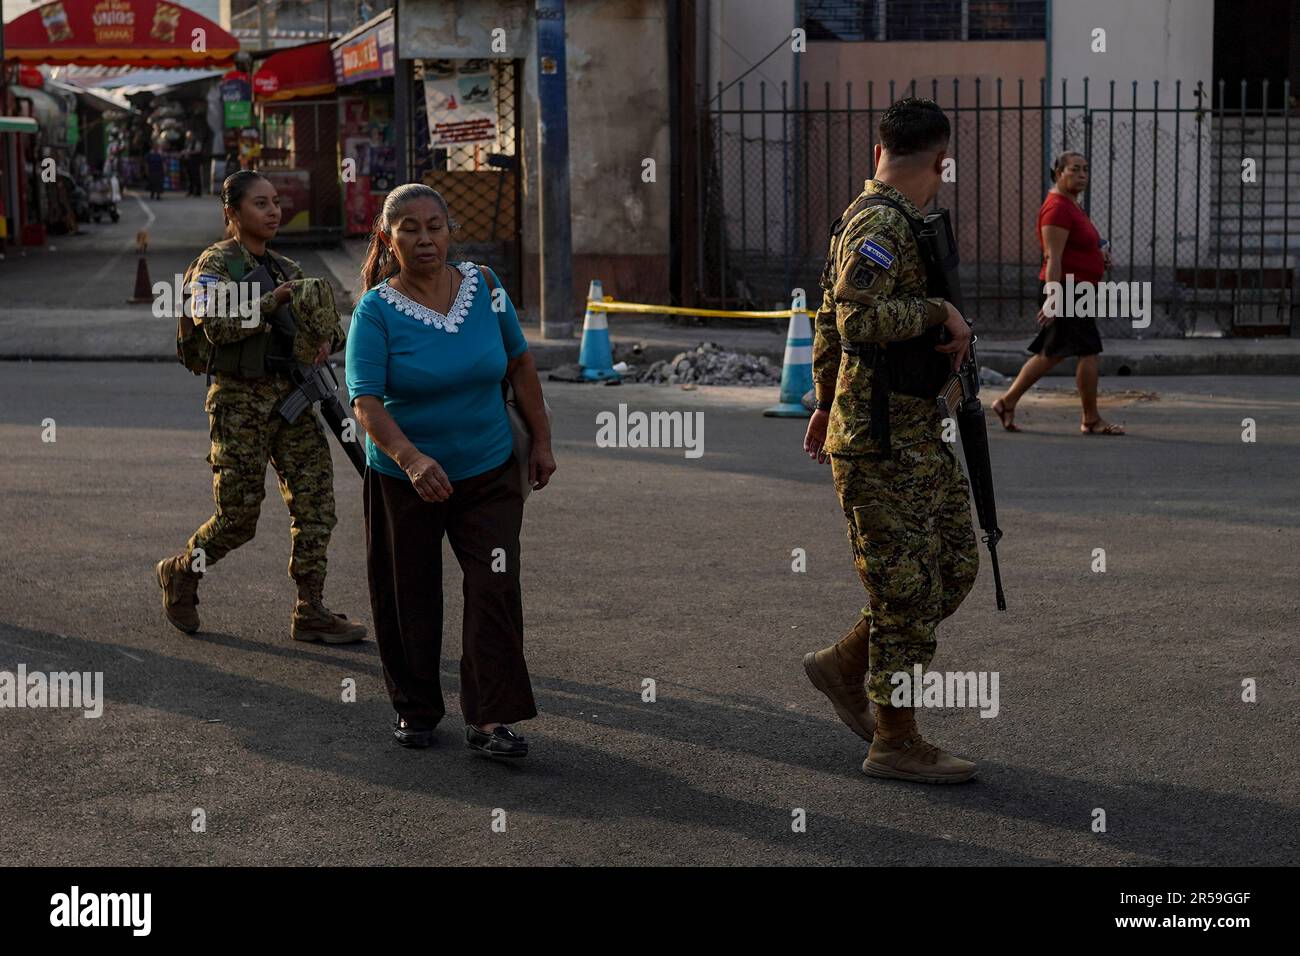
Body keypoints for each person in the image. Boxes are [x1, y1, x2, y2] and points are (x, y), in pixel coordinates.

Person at [802, 98, 980, 785]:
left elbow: (822, 316)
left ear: (881, 151)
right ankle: (895, 737)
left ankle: (845, 664)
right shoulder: (879, 221)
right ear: (941, 162)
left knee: (955, 568)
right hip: (878, 440)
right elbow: (853, 321)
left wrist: (822, 401)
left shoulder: (894, 219)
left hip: (910, 430)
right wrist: (938, 310)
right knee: (905, 596)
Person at [346, 183, 555, 756]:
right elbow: (365, 400)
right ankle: (416, 709)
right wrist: (411, 459)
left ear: (449, 229)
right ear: (388, 238)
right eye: (409, 228)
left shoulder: (485, 288)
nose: (424, 238)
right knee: (407, 591)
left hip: (488, 471)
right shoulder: (376, 311)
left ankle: (491, 719)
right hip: (403, 479)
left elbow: (518, 362)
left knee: (494, 586)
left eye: (434, 225)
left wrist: (542, 441)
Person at [155, 170, 366, 645]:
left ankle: (310, 609)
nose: (273, 213)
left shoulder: (287, 267)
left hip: (292, 397)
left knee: (317, 506)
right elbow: (214, 324)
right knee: (238, 519)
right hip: (238, 403)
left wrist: (322, 341)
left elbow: (331, 330)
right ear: (231, 212)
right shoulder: (213, 266)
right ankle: (183, 570)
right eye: (261, 204)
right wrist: (272, 303)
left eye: (276, 203)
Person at [992, 151, 1125, 435]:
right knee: (1088, 350)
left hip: (1077, 290)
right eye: (1075, 169)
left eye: (1085, 170)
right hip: (1067, 290)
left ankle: (1007, 401)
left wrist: (1099, 250)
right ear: (1058, 173)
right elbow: (1052, 257)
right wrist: (1053, 298)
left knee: (1050, 353)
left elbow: (1083, 241)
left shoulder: (1072, 206)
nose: (1082, 175)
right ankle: (1090, 419)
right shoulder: (1057, 209)